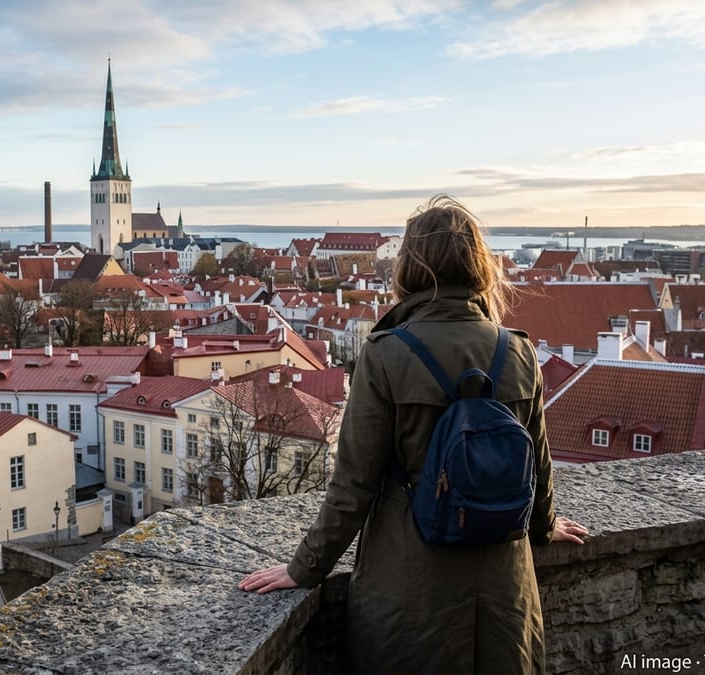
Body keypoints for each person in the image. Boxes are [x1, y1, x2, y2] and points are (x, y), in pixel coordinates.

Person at [239, 195, 588, 673]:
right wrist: (546, 526)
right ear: (480, 266)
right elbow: (537, 467)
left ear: (410, 267)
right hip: (506, 587)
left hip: (409, 585)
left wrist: (304, 569)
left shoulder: (387, 353)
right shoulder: (519, 352)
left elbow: (353, 485)